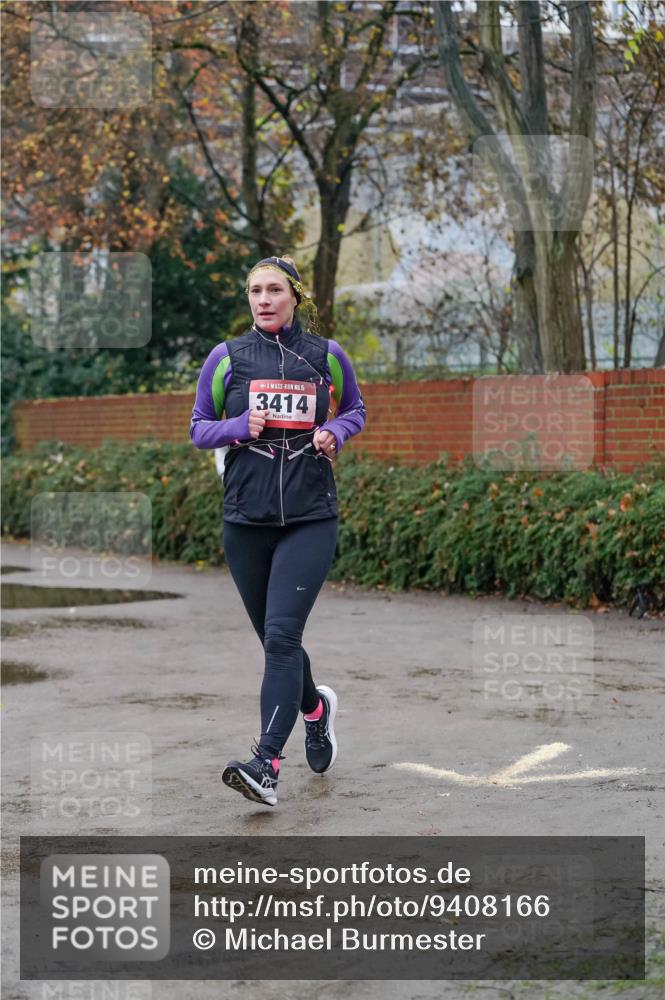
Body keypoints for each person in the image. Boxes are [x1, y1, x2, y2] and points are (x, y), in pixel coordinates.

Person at [189, 255, 366, 807]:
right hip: (246, 520)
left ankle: (265, 762)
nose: (262, 300)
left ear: (294, 296)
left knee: (283, 638)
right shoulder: (226, 358)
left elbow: (357, 409)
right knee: (275, 640)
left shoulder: (327, 356)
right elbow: (198, 429)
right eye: (253, 291)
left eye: (272, 290)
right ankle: (316, 708)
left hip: (311, 517)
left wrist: (335, 430)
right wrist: (240, 426)